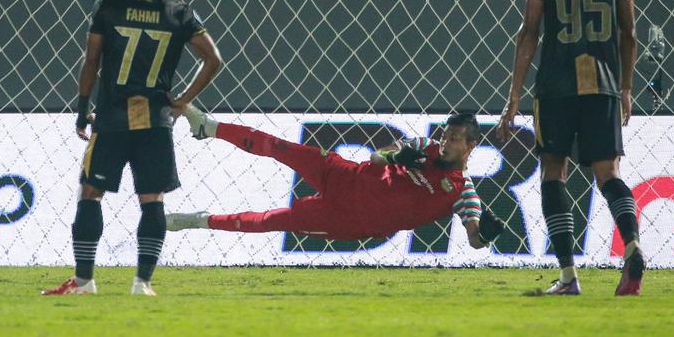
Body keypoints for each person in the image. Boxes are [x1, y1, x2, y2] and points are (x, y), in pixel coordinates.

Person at [42, 0, 223, 296]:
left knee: (91, 192)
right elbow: (213, 59)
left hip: (112, 119)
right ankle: (143, 283)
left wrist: (81, 109)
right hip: (155, 123)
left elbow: (92, 60)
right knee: (152, 200)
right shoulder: (178, 12)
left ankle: (83, 281)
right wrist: (181, 101)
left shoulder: (109, 6)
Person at [496, 0, 644, 296]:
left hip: (556, 85)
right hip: (603, 85)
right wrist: (627, 88)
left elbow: (530, 31)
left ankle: (567, 277)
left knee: (553, 173)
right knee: (609, 173)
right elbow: (629, 34)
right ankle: (632, 245)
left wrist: (514, 97)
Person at [168, 108, 504, 250]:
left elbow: (474, 237)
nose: (446, 143)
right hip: (346, 177)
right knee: (279, 147)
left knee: (271, 221)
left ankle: (198, 221)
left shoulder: (463, 192)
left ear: (471, 146)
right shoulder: (424, 147)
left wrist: (485, 235)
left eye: (455, 139)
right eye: (445, 136)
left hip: (350, 219)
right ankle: (209, 127)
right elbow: (376, 157)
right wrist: (396, 156)